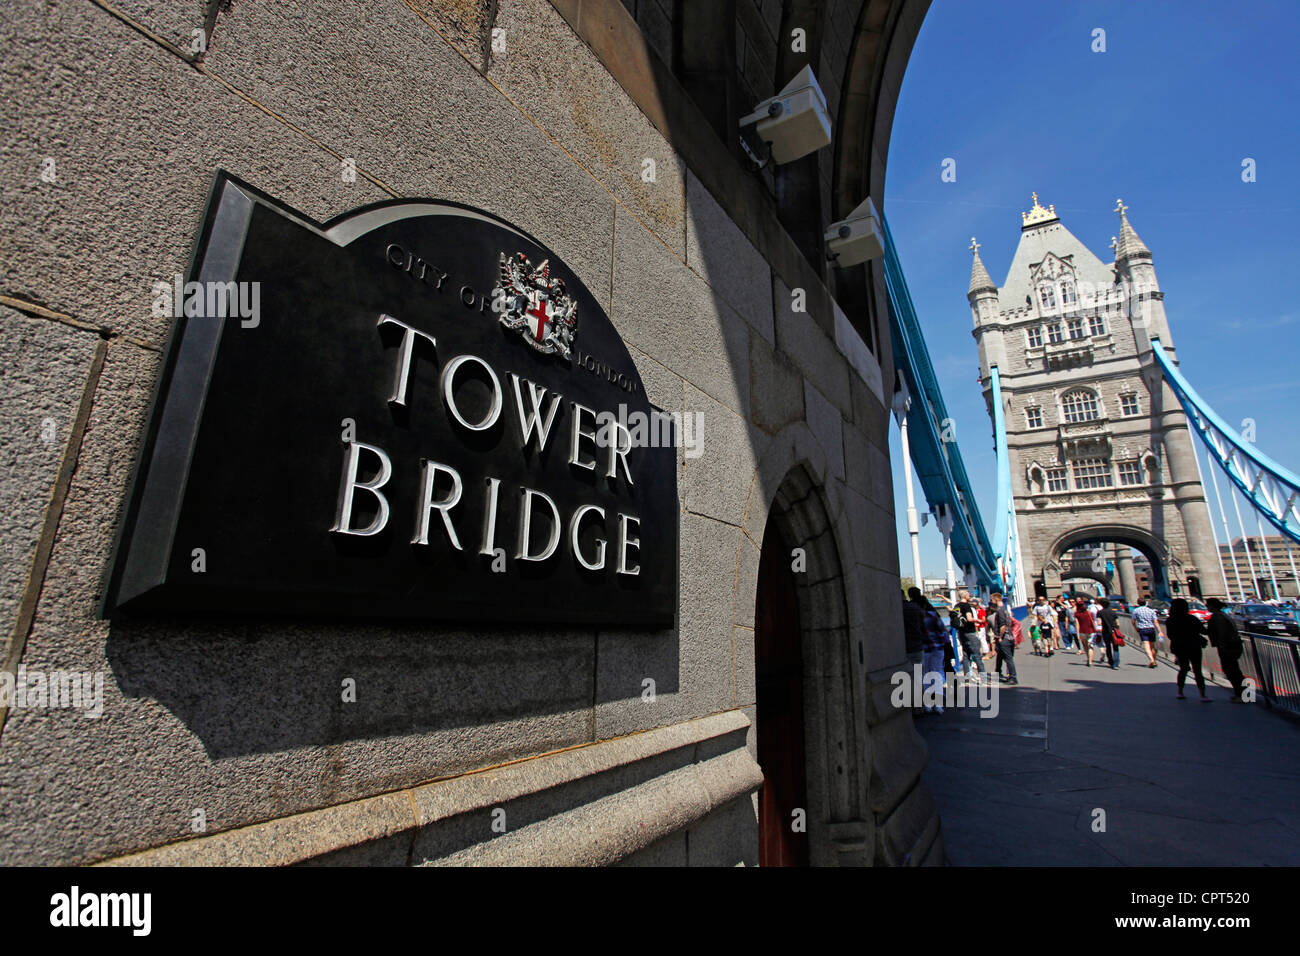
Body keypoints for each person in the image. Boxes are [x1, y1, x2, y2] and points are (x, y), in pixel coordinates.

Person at [910, 588, 948, 714]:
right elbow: (943, 631)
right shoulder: (932, 615)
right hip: (937, 647)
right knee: (936, 674)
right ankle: (938, 704)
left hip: (923, 649)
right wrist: (942, 643)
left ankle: (927, 704)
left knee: (925, 675)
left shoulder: (916, 617)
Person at [1166, 597, 1210, 701]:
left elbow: (1170, 635)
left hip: (1179, 647)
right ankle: (1202, 695)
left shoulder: (1170, 620)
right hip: (1194, 646)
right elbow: (1203, 631)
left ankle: (1180, 692)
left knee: (1183, 669)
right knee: (1197, 670)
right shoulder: (1192, 618)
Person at [1207, 597, 1247, 702]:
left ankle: (1243, 695)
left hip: (1228, 646)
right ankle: (1241, 694)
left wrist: (1222, 646)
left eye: (1208, 605)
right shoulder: (1222, 615)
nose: (1206, 607)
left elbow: (1221, 633)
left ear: (1212, 606)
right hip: (1231, 645)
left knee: (1232, 671)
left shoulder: (1218, 617)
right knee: (1233, 670)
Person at [955, 589, 985, 684]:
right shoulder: (966, 606)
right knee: (977, 654)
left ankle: (967, 677)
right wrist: (978, 621)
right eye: (968, 594)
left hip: (961, 632)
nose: (970, 596)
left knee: (966, 655)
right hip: (969, 632)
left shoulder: (957, 606)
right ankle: (982, 676)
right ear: (965, 596)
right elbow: (969, 619)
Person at [989, 590, 1017, 684]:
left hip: (1004, 637)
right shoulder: (1005, 609)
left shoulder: (1000, 611)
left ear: (996, 599)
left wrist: (1000, 637)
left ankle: (1013, 677)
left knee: (1008, 658)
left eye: (992, 599)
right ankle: (998, 673)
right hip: (1009, 636)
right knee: (1000, 656)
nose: (991, 601)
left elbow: (1003, 626)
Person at [1131, 596, 1159, 668]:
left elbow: (1133, 621)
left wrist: (1136, 628)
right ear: (1145, 603)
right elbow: (1155, 621)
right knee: (1153, 646)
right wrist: (1160, 631)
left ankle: (1152, 660)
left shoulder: (1136, 611)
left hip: (1142, 629)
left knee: (1146, 645)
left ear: (1138, 603)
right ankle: (1154, 660)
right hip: (1151, 629)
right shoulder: (1151, 610)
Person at [1097, 598, 1121, 669]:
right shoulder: (1113, 612)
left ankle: (1111, 661)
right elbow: (1118, 623)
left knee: (1108, 646)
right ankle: (1116, 663)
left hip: (1106, 631)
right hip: (1114, 631)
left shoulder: (1100, 612)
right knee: (1116, 647)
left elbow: (1099, 623)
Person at [1074, 597, 1097, 666]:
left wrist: (1078, 634)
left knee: (1085, 646)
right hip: (1091, 631)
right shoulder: (1089, 613)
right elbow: (1093, 621)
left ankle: (1088, 659)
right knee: (1091, 647)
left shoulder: (1077, 614)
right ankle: (1090, 661)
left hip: (1082, 632)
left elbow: (1077, 624)